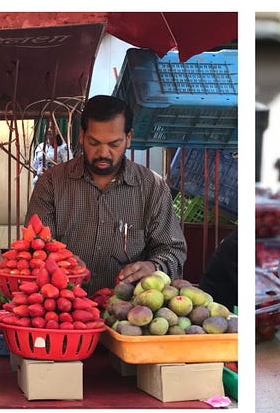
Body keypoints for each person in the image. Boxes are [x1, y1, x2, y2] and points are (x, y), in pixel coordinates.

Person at [24, 94, 187, 295]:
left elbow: (173, 250)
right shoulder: (51, 183)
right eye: (94, 142)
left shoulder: (152, 187)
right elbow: (34, 246)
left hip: (130, 315)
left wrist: (153, 267)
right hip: (62, 309)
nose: (103, 153)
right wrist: (60, 259)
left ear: (128, 138)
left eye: (114, 144)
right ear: (82, 135)